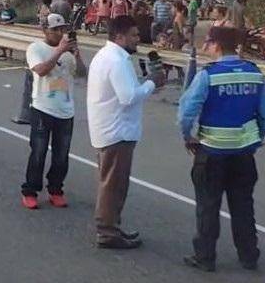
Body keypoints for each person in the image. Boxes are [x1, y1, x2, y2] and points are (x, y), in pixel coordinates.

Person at [177, 26, 265, 272]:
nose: (205, 48)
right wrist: (258, 137)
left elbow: (187, 112)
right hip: (243, 152)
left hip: (212, 150)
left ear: (217, 45)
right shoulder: (254, 73)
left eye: (207, 43)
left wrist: (188, 136)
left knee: (208, 205)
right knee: (243, 205)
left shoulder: (208, 75)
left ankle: (206, 257)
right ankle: (249, 255)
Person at [87, 15, 166, 249]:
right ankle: (107, 231)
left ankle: (112, 225)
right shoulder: (116, 60)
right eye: (133, 35)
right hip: (116, 132)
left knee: (114, 184)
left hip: (111, 129)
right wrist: (151, 82)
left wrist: (146, 83)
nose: (138, 39)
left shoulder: (110, 56)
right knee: (113, 186)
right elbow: (128, 96)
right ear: (119, 37)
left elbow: (126, 90)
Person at [20, 13, 87, 209]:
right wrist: (59, 51)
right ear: (45, 30)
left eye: (62, 29)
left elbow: (83, 74)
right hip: (42, 108)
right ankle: (30, 190)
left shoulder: (68, 52)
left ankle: (56, 189)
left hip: (65, 110)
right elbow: (40, 70)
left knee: (61, 154)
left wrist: (77, 54)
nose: (60, 33)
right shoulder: (36, 48)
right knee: (39, 152)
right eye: (55, 29)